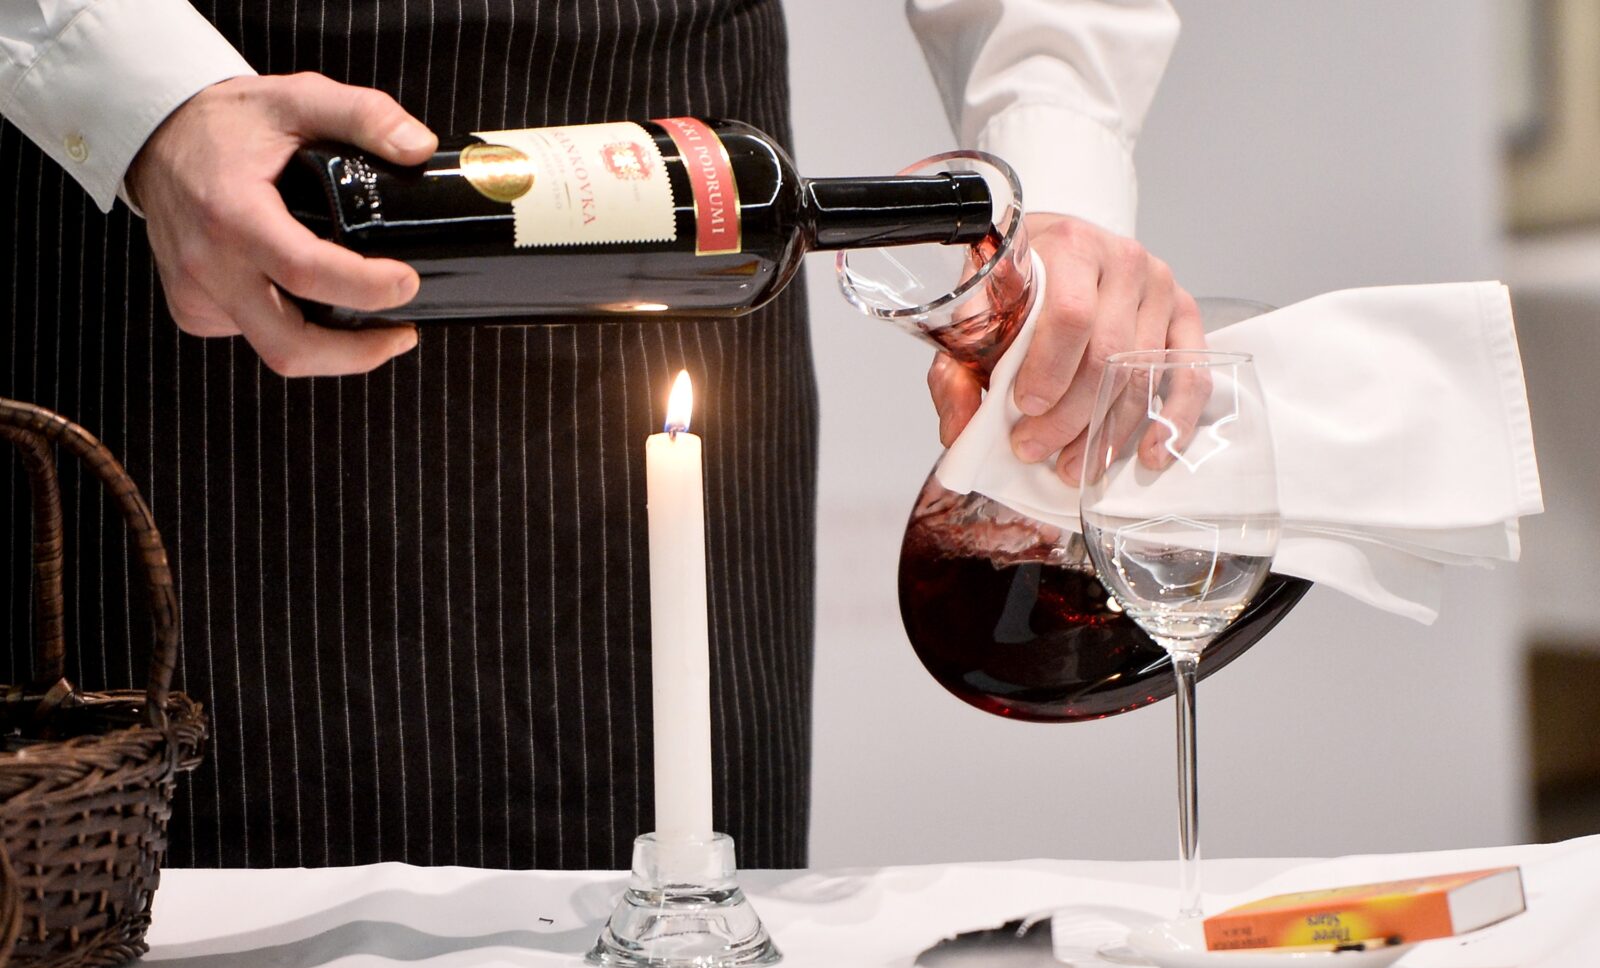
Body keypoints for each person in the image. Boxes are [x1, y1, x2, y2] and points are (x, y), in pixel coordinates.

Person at [0, 0, 1199, 869]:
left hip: (678, 228)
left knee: (670, 894)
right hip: (183, 225)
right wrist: (140, 96)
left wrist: (1056, 172)